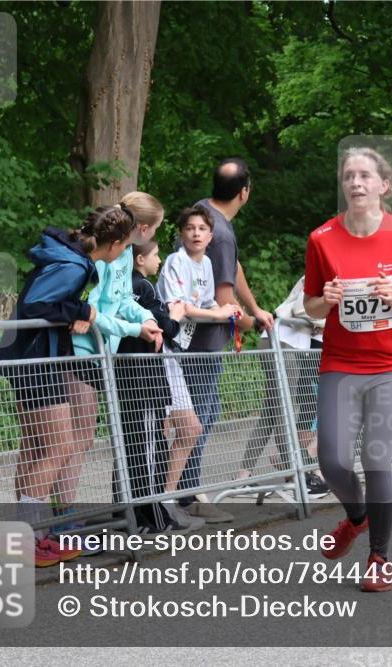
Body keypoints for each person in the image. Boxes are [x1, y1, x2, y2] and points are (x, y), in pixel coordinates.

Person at [304, 146, 392, 592]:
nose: (356, 183)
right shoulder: (321, 238)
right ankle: (357, 518)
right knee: (333, 460)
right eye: (349, 176)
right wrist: (328, 300)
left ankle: (380, 556)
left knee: (376, 455)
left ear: (383, 185)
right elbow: (311, 307)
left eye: (365, 176)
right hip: (341, 361)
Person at [0, 206, 135, 566]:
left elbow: (49, 301)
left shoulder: (70, 256)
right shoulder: (74, 265)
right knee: (59, 445)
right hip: (35, 359)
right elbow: (37, 303)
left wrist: (74, 309)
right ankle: (26, 541)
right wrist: (81, 312)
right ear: (115, 244)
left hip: (27, 357)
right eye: (125, 246)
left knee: (35, 447)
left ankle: (31, 536)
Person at [177, 158, 272, 523]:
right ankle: (189, 495)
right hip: (201, 340)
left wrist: (255, 307)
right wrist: (249, 322)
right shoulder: (223, 232)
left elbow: (232, 268)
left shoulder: (200, 212)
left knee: (195, 411)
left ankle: (181, 492)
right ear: (244, 193)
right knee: (200, 412)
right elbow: (222, 298)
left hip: (188, 333)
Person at [67, 192, 165, 543]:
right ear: (142, 228)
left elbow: (122, 300)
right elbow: (93, 304)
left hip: (102, 351)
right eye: (156, 229)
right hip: (83, 352)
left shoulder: (123, 255)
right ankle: (62, 524)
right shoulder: (108, 254)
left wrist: (148, 318)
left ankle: (65, 522)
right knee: (73, 441)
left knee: (81, 438)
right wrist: (131, 328)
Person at [157, 205, 243, 522]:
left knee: (200, 418)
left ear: (210, 235)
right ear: (181, 234)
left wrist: (228, 310)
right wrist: (219, 314)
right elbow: (180, 306)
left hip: (188, 343)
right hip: (170, 346)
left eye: (201, 229)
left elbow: (204, 301)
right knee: (183, 423)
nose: (195, 233)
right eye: (189, 228)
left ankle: (175, 496)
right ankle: (175, 496)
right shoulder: (175, 261)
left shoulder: (206, 263)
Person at [114, 240, 202, 534]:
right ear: (140, 259)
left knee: (138, 446)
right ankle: (151, 518)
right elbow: (163, 328)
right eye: (154, 255)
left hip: (130, 377)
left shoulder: (123, 286)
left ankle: (132, 515)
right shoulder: (143, 288)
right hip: (144, 378)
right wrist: (174, 316)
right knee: (148, 449)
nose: (159, 259)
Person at [237, 275, 330, 498]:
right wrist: (322, 323)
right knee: (282, 412)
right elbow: (302, 309)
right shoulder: (322, 274)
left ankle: (242, 477)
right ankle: (296, 473)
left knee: (271, 413)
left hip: (288, 344)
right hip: (281, 342)